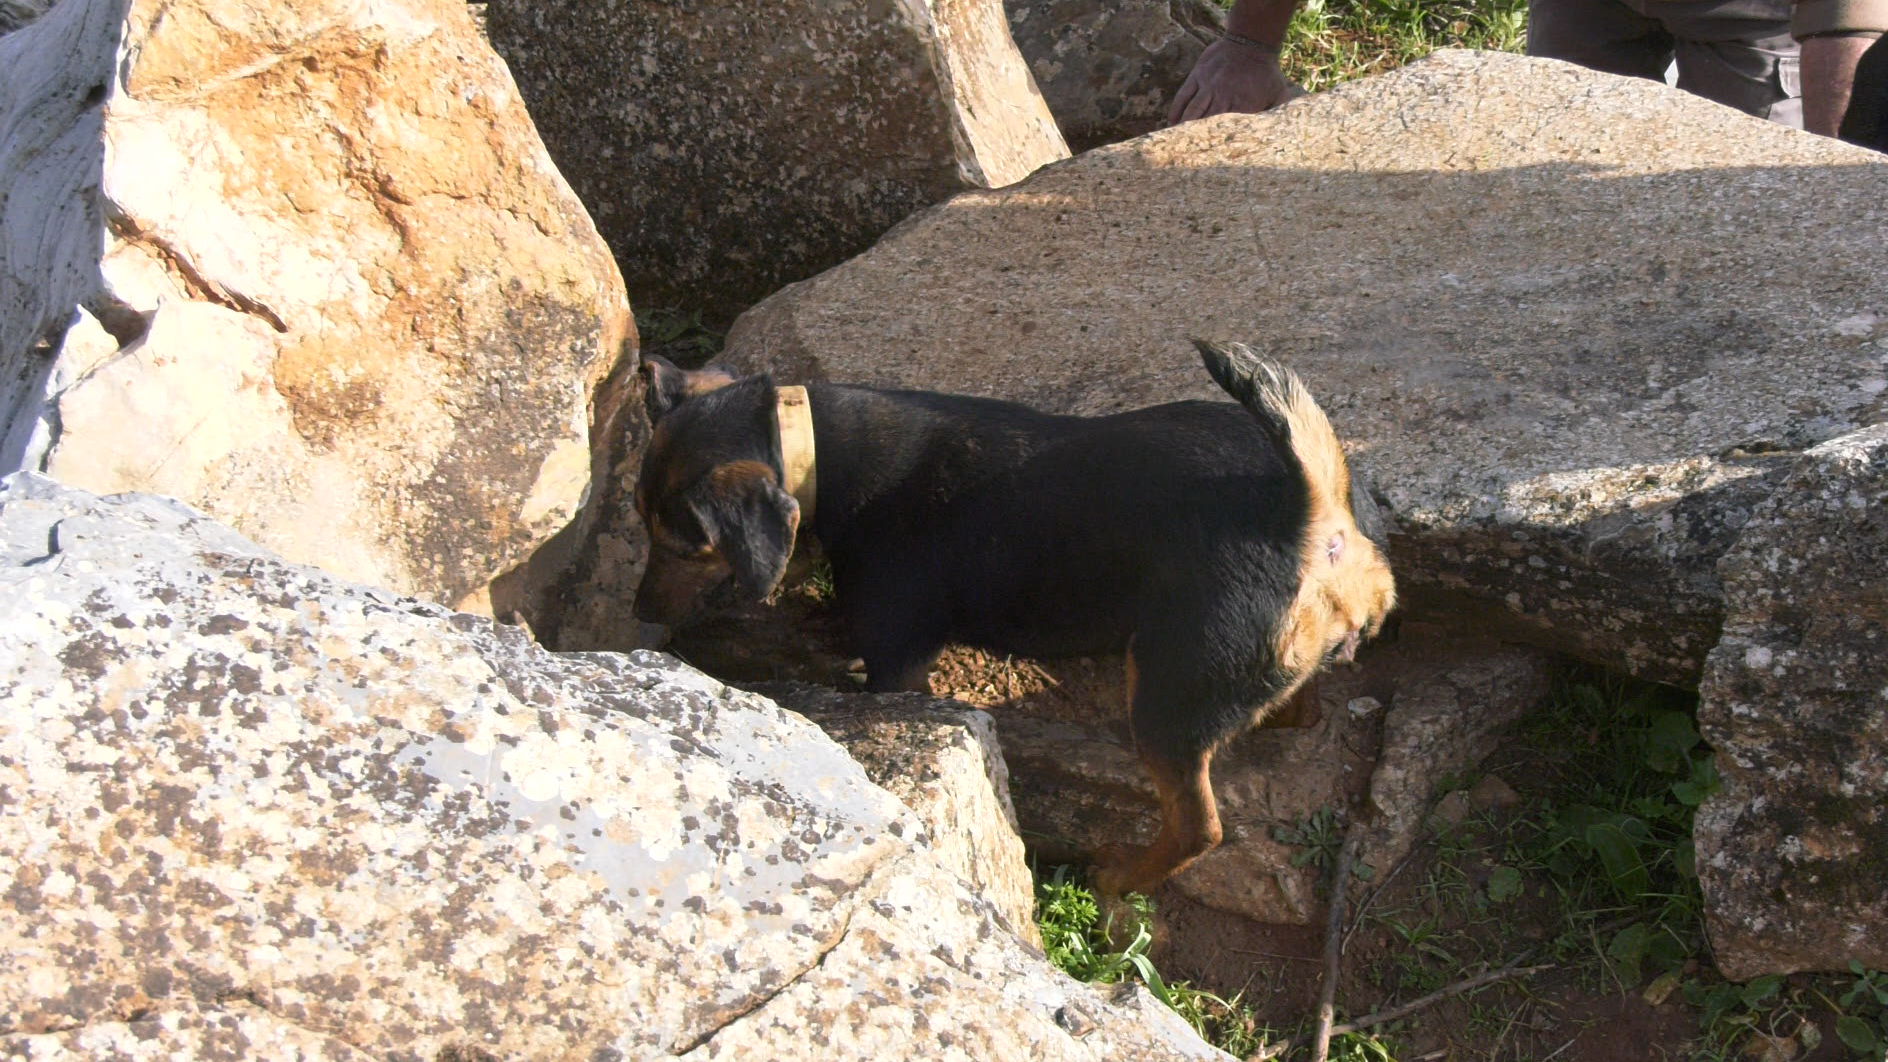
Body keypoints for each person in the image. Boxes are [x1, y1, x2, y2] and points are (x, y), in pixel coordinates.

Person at [1168, 0, 1886, 141]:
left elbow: (1845, 18)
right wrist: (1249, 49)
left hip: (1755, 14)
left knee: (1748, 215)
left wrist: (1838, 183)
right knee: (1559, 144)